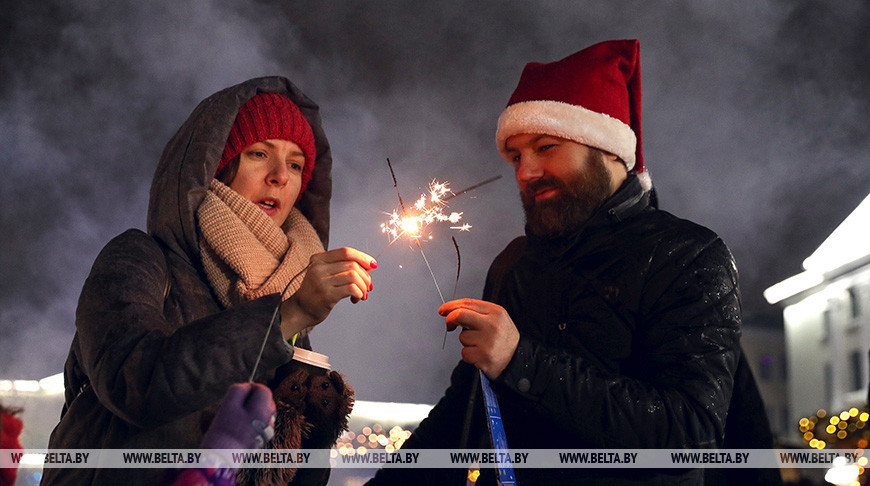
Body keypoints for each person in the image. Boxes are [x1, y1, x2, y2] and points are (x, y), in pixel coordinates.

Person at [368, 39, 763, 485]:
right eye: (515, 156)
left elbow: (688, 435)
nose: (525, 171)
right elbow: (463, 412)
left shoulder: (688, 255)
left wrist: (521, 362)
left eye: (546, 146)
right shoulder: (512, 266)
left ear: (610, 148)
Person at [42, 77, 376, 485]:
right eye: (258, 153)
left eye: (295, 164)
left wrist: (311, 431)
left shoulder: (289, 288)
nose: (279, 177)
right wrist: (284, 317)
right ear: (216, 163)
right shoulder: (141, 257)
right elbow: (134, 382)